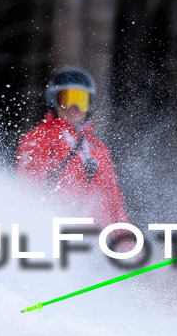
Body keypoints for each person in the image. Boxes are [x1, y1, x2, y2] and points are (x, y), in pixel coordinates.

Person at [16, 68, 129, 232]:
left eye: (81, 100)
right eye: (66, 99)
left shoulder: (98, 148)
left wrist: (126, 246)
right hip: (51, 231)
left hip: (90, 239)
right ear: (54, 101)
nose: (74, 107)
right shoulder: (40, 138)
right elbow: (28, 189)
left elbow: (113, 204)